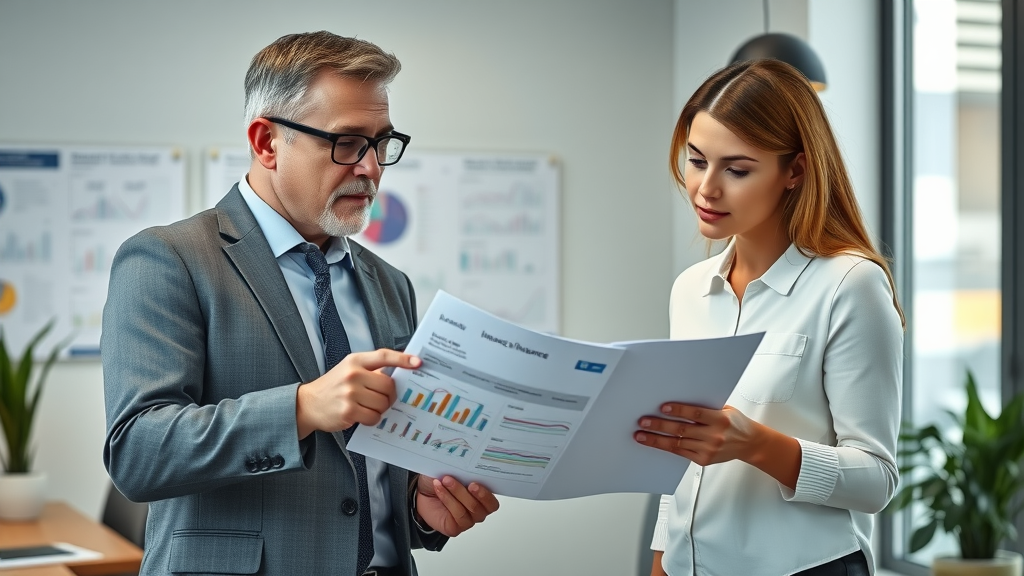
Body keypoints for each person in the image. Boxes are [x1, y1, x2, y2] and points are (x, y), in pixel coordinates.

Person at [102, 31, 499, 576]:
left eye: (381, 143)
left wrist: (420, 506)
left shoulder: (390, 284)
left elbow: (369, 480)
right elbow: (138, 453)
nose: (371, 168)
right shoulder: (169, 260)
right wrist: (302, 408)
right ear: (266, 142)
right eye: (347, 143)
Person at [634, 59, 904, 576]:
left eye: (737, 169)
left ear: (795, 171)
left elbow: (877, 481)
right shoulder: (689, 290)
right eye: (696, 160)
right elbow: (680, 458)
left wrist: (754, 444)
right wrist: (660, 560)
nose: (705, 188)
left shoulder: (850, 285)